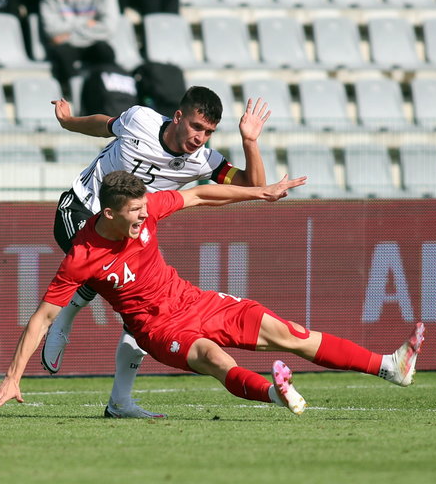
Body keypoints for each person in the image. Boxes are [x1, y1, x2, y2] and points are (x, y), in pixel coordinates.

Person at [0, 170, 425, 414]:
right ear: (110, 212)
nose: (142, 218)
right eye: (134, 213)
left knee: (288, 333)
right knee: (216, 360)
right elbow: (42, 317)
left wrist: (259, 192)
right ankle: (277, 393)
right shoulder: (82, 253)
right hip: (155, 329)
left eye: (144, 209)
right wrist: (14, 376)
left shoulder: (149, 206)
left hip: (193, 300)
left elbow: (197, 196)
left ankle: (390, 366)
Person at [45, 85, 272, 418]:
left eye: (208, 132)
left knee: (146, 312)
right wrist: (68, 122)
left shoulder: (204, 160)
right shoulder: (140, 119)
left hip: (128, 239)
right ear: (179, 117)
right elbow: (103, 125)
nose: (200, 138)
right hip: (81, 210)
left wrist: (250, 142)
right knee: (103, 266)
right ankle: (64, 318)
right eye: (197, 127)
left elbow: (255, 187)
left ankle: (120, 402)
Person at [39, 0, 121, 96]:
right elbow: (51, 29)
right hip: (67, 45)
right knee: (62, 55)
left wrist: (69, 34)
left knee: (106, 53)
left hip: (87, 41)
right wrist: (88, 23)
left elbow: (109, 27)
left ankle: (105, 98)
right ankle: (71, 99)